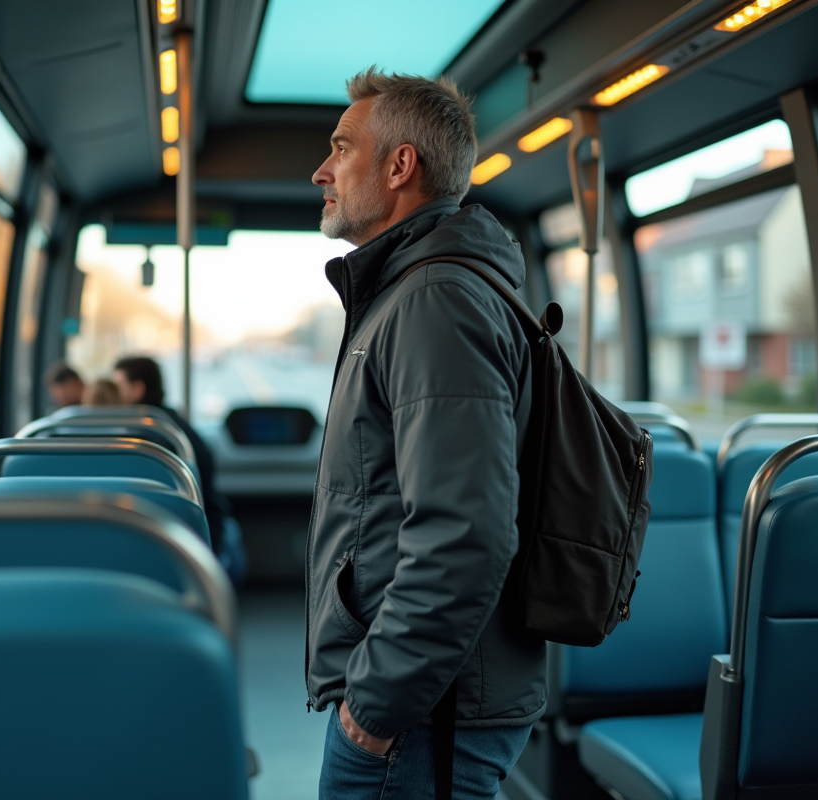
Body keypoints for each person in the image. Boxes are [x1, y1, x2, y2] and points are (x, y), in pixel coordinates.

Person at [307, 67, 543, 799]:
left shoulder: (435, 299)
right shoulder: (416, 290)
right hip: (426, 697)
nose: (322, 170)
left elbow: (465, 531)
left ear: (400, 165)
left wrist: (372, 710)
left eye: (342, 148)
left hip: (421, 714)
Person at [112, 356, 240, 577]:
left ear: (137, 389)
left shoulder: (140, 441)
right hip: (198, 541)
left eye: (117, 387)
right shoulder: (176, 430)